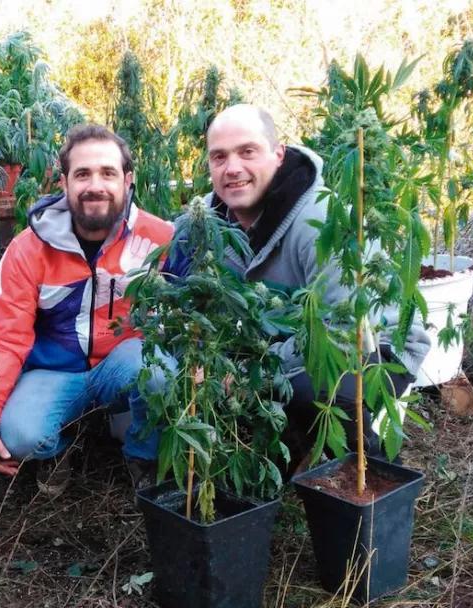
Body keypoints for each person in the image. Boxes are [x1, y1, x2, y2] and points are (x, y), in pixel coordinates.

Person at [168, 104, 430, 465]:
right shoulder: (208, 225)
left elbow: (344, 330)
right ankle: (284, 454)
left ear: (278, 155)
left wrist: (246, 375)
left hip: (372, 347)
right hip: (281, 345)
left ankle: (365, 467)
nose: (232, 168)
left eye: (247, 151)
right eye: (219, 157)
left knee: (313, 389)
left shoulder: (319, 221)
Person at [0, 124, 174, 478]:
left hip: (123, 367)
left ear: (127, 180)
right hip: (54, 372)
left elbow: (188, 315)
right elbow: (5, 338)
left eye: (108, 173)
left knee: (158, 374)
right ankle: (61, 446)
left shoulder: (159, 239)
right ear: (64, 183)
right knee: (20, 437)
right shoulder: (28, 248)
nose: (95, 185)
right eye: (82, 174)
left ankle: (143, 458)